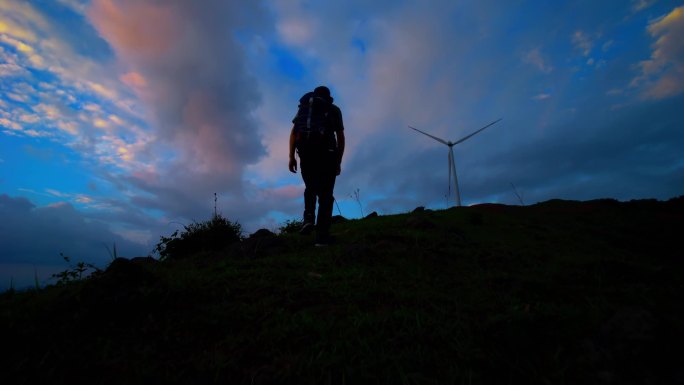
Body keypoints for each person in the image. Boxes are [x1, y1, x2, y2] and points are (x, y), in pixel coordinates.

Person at [288, 86, 345, 246]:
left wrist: (291, 157)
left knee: (311, 188)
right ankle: (322, 237)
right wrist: (338, 161)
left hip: (306, 154)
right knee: (326, 195)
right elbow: (340, 138)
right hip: (327, 155)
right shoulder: (334, 110)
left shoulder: (304, 110)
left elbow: (293, 133)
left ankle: (308, 217)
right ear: (329, 97)